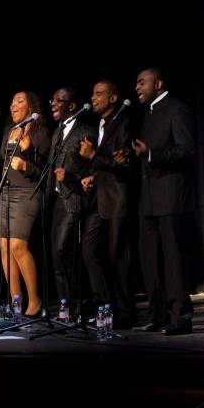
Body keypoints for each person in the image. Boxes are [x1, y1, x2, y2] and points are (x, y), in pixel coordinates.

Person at [132, 68, 195, 335]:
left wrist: (151, 154)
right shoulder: (149, 114)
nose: (137, 88)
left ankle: (181, 318)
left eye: (141, 82)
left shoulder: (176, 109)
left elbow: (186, 150)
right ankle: (157, 315)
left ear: (158, 84)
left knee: (172, 260)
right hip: (149, 200)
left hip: (170, 198)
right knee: (150, 260)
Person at [78, 80, 136, 327]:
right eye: (93, 93)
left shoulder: (123, 125)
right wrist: (92, 175)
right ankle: (104, 305)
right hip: (99, 200)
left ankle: (124, 313)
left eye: (100, 94)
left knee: (118, 258)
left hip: (117, 200)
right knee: (89, 250)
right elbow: (106, 164)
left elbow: (124, 166)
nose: (94, 97)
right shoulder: (100, 125)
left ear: (113, 98)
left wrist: (93, 157)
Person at [0, 91, 51, 317]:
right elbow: (3, 160)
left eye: (20, 101)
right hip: (6, 191)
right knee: (4, 246)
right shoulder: (11, 131)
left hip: (27, 192)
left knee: (18, 245)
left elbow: (46, 171)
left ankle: (35, 300)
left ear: (31, 107)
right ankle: (15, 301)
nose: (13, 105)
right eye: (12, 101)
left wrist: (27, 159)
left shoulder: (41, 132)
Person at [46, 88, 96, 308]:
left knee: (63, 249)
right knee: (56, 257)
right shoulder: (57, 132)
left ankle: (79, 303)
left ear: (72, 106)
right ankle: (65, 307)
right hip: (57, 200)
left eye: (60, 101)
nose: (54, 104)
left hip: (74, 198)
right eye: (52, 100)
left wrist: (72, 177)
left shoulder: (86, 131)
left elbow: (94, 169)